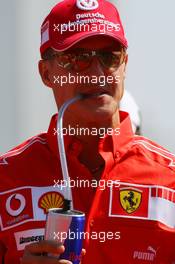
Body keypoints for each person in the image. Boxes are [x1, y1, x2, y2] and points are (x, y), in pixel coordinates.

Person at [0, 0, 175, 263]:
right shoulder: (7, 177)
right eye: (78, 59)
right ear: (46, 74)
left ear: (125, 64)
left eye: (109, 57)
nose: (97, 74)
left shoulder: (169, 179)